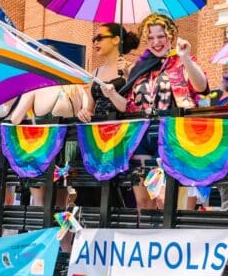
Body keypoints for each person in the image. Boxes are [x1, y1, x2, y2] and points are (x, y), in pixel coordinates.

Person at [102, 13, 209, 209]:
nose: (156, 42)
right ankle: (146, 238)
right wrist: (112, 95)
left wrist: (185, 58)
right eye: (150, 38)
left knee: (166, 199)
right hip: (142, 138)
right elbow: (128, 106)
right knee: (144, 202)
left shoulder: (181, 61)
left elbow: (201, 87)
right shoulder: (140, 67)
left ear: (171, 36)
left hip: (170, 136)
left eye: (161, 36)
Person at [76, 23, 139, 122]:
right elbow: (90, 109)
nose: (95, 42)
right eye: (94, 39)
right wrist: (84, 113)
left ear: (116, 40)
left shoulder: (132, 69)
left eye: (99, 38)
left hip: (124, 129)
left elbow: (136, 105)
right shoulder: (94, 73)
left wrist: (127, 76)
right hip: (99, 131)